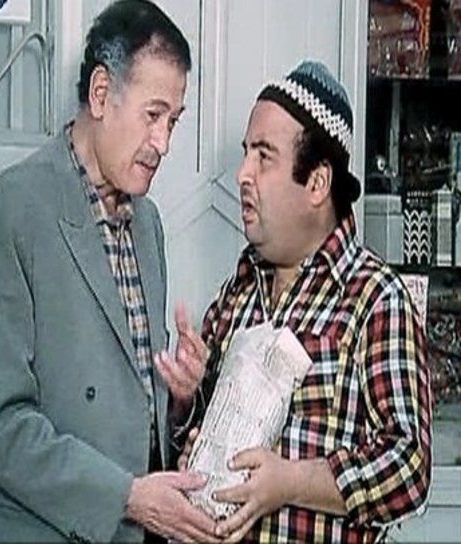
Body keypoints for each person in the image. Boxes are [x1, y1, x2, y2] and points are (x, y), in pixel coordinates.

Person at [0, 1, 217, 542]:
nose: (163, 143)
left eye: (173, 121)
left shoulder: (149, 224)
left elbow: (133, 412)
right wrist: (126, 498)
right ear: (100, 94)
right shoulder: (15, 206)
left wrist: (183, 398)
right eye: (153, 115)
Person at [178, 60, 432, 542]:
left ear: (317, 183)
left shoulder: (375, 300)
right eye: (246, 154)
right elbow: (194, 443)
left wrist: (292, 482)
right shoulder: (237, 294)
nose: (242, 174)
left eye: (264, 157)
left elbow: (409, 468)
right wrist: (186, 403)